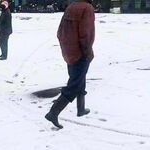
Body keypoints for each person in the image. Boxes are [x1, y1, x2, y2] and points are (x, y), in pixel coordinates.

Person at [45, 0, 95, 129]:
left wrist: (67, 48)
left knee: (79, 78)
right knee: (74, 85)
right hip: (80, 52)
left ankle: (81, 109)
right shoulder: (87, 8)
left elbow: (59, 32)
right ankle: (53, 112)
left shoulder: (71, 6)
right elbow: (86, 35)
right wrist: (87, 53)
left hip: (69, 51)